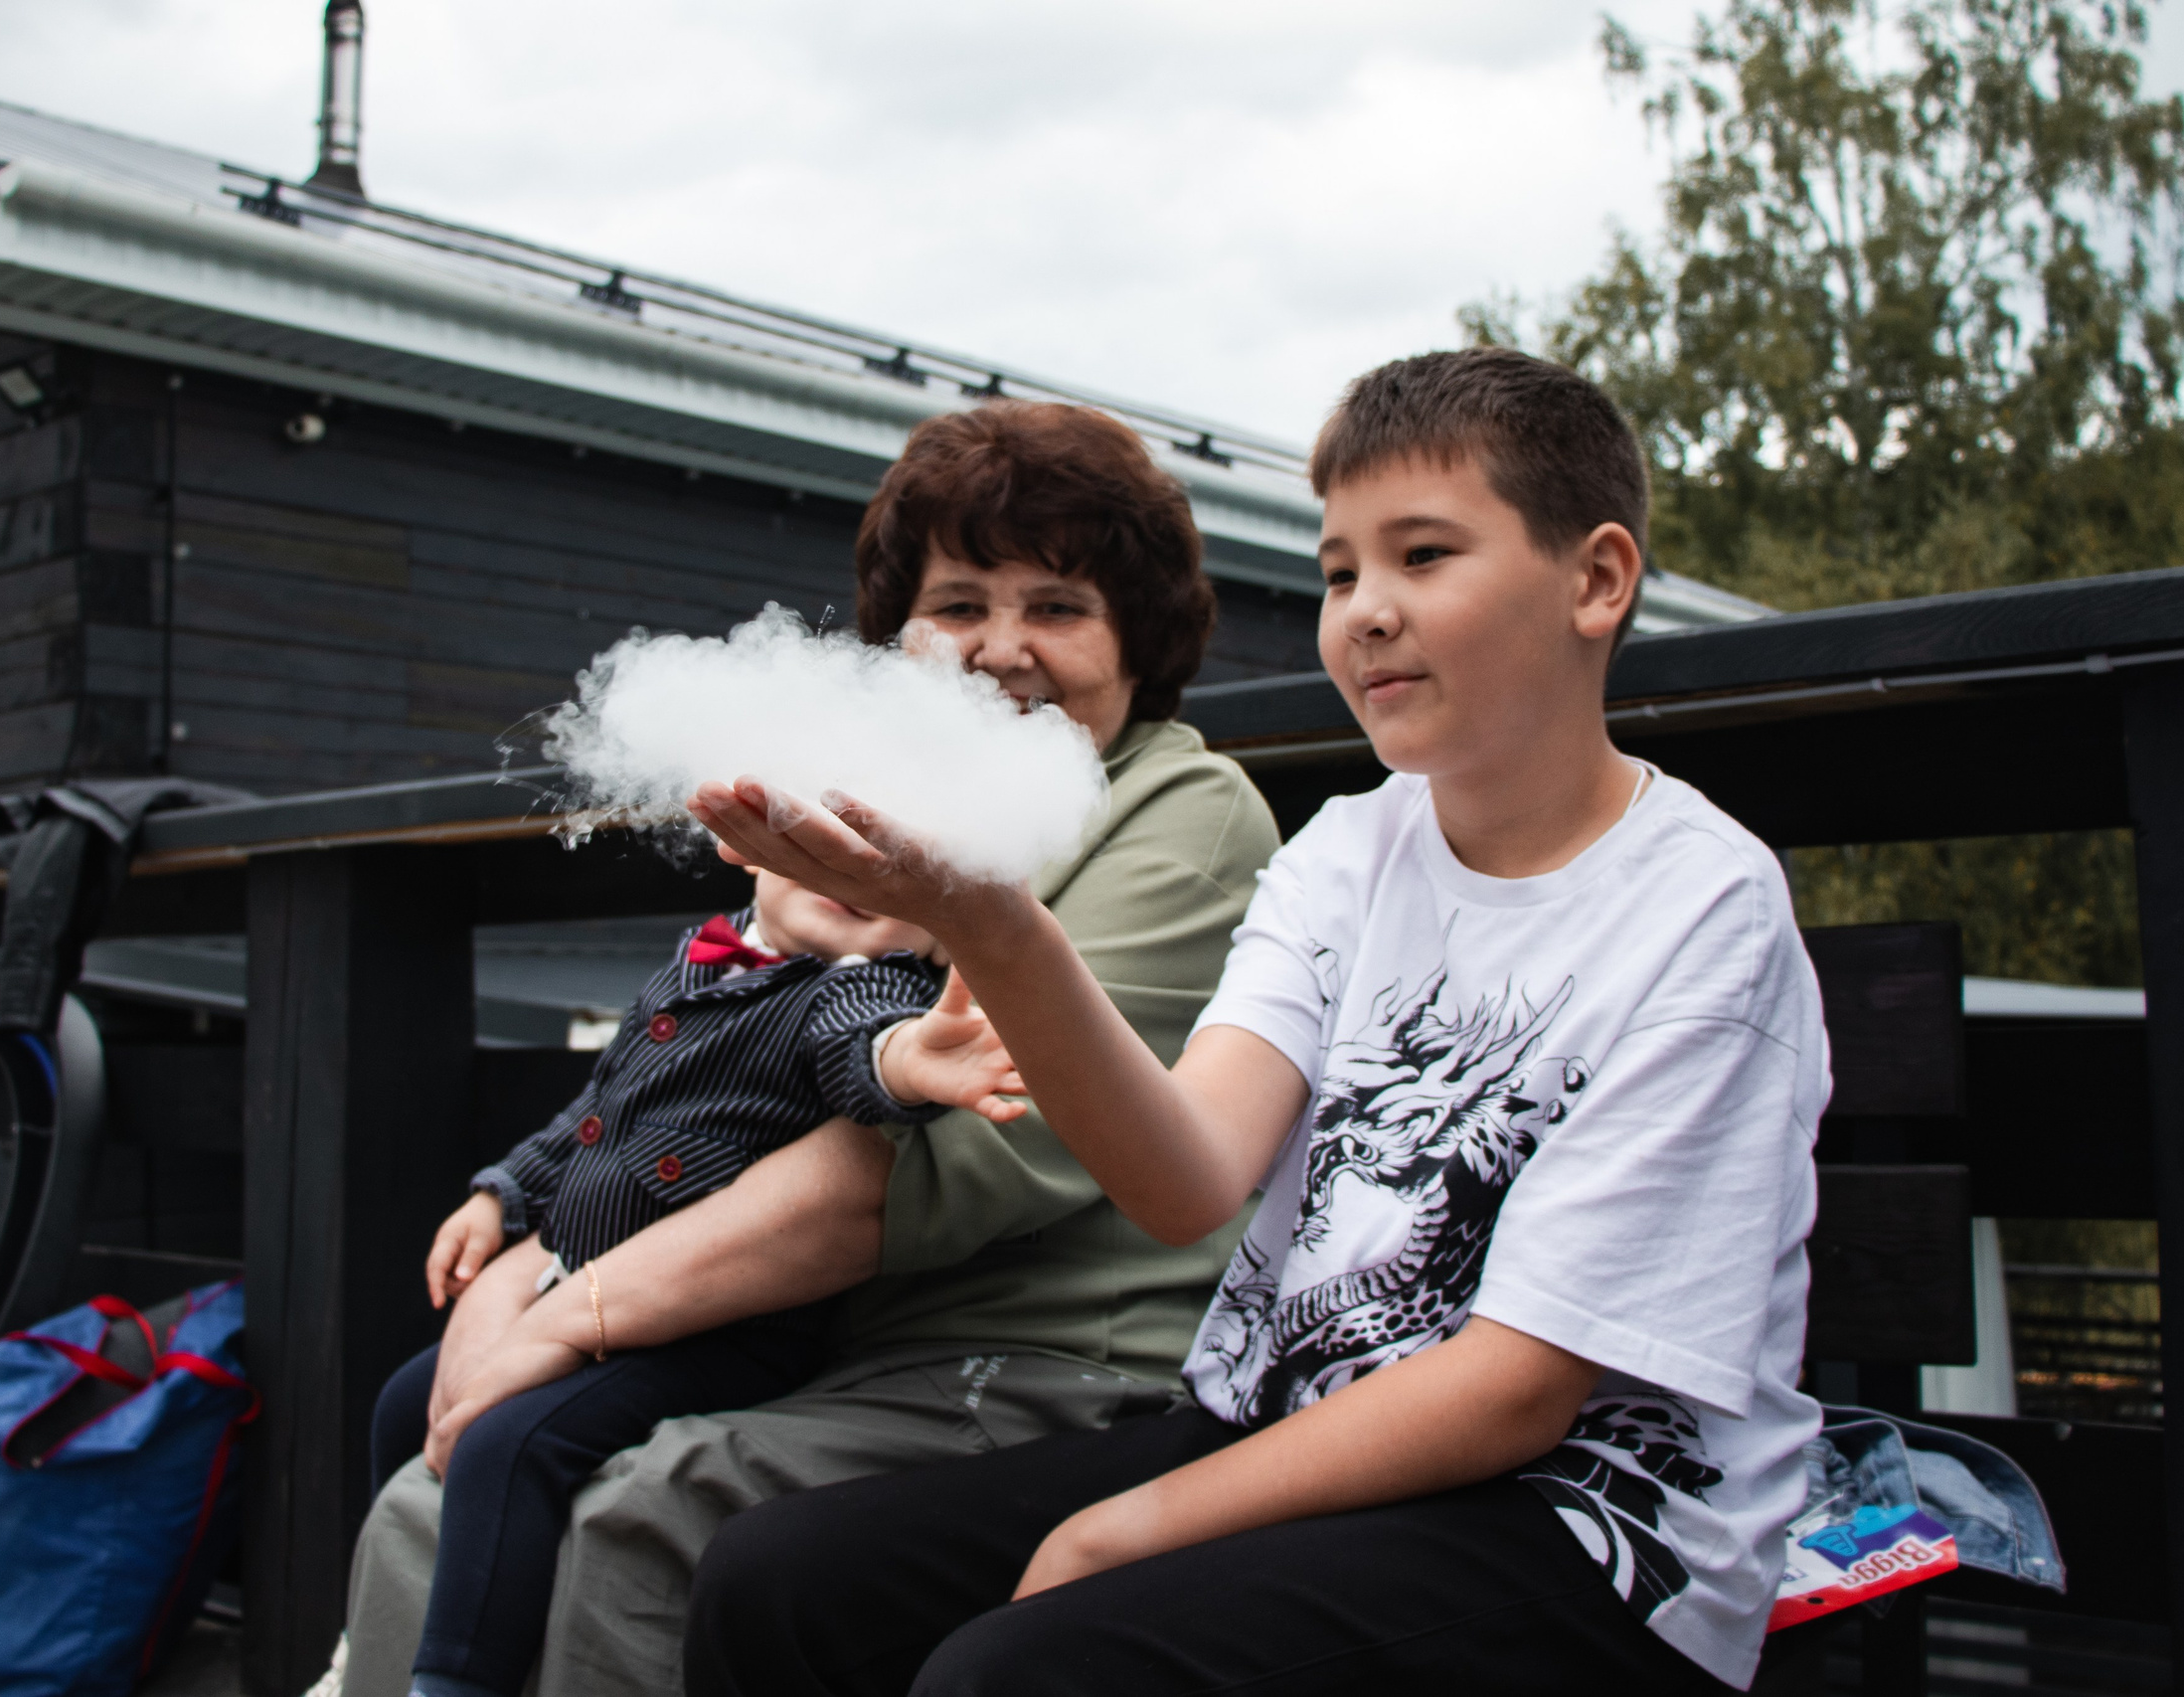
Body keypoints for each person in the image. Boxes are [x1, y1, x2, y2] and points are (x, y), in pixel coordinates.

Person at [680, 348, 1828, 1695]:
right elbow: (1184, 1178)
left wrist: (1129, 1525)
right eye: (1340, 572)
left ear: (1596, 580)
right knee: (780, 1583)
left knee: (1026, 1672)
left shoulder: (1700, 907)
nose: (1367, 612)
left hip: (1582, 1528)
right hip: (1285, 1429)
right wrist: (992, 922)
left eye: (1422, 556)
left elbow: (1518, 1386)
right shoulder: (1346, 853)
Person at [335, 402, 1283, 1697]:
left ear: (1139, 637)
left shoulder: (1179, 808)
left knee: (631, 1516)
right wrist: (525, 1248)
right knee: (430, 1499)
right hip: (807, 1338)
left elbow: (954, 1160)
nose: (1002, 648)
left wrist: (568, 1311)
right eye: (958, 604)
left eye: (1059, 605)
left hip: (1041, 1364)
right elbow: (698, 1080)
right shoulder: (880, 800)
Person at [368, 867, 1024, 1697]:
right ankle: (380, 1626)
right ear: (751, 851)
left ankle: (458, 1678)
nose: (856, 874)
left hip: (711, 1329)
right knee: (404, 1401)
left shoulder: (858, 986)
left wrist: (910, 1059)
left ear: (934, 931)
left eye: (897, 868)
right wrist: (502, 1194)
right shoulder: (698, 960)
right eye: (825, 842)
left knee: (513, 1441)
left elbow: (864, 1045)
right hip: (580, 1286)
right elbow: (595, 1111)